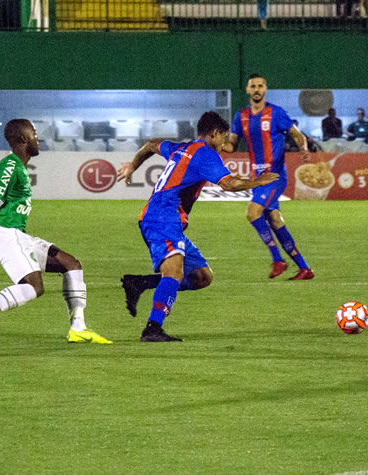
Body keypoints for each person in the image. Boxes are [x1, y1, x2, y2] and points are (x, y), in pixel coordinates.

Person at [117, 112, 278, 342]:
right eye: (223, 139)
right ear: (214, 134)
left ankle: (140, 283)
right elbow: (229, 184)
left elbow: (151, 145)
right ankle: (152, 328)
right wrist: (257, 182)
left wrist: (133, 166)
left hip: (165, 218)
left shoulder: (181, 148)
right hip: (163, 217)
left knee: (202, 276)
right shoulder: (206, 155)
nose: (224, 145)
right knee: (174, 272)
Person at [0, 119, 112, 347]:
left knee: (72, 264)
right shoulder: (9, 166)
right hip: (5, 235)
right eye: (34, 135)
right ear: (22, 139)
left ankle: (78, 328)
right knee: (33, 288)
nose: (37, 140)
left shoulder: (19, 167)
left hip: (19, 236)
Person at [224, 73, 314, 280]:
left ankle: (277, 260)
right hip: (258, 178)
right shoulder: (241, 116)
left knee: (253, 212)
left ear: (265, 89)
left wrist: (303, 147)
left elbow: (296, 133)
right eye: (253, 86)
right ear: (247, 90)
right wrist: (214, 143)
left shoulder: (276, 113)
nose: (256, 89)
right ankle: (304, 268)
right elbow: (231, 145)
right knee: (274, 219)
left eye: (260, 86)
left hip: (274, 175)